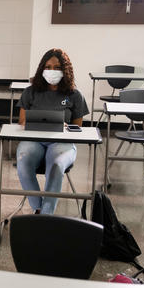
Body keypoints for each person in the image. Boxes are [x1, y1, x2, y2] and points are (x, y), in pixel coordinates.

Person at [16, 48, 89, 215]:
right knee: (23, 161)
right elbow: (22, 121)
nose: (52, 71)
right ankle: (39, 209)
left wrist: (65, 127)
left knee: (56, 165)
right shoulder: (30, 92)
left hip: (62, 142)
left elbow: (77, 127)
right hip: (33, 140)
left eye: (57, 68)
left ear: (65, 70)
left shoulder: (74, 95)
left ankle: (46, 216)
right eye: (48, 67)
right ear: (42, 68)